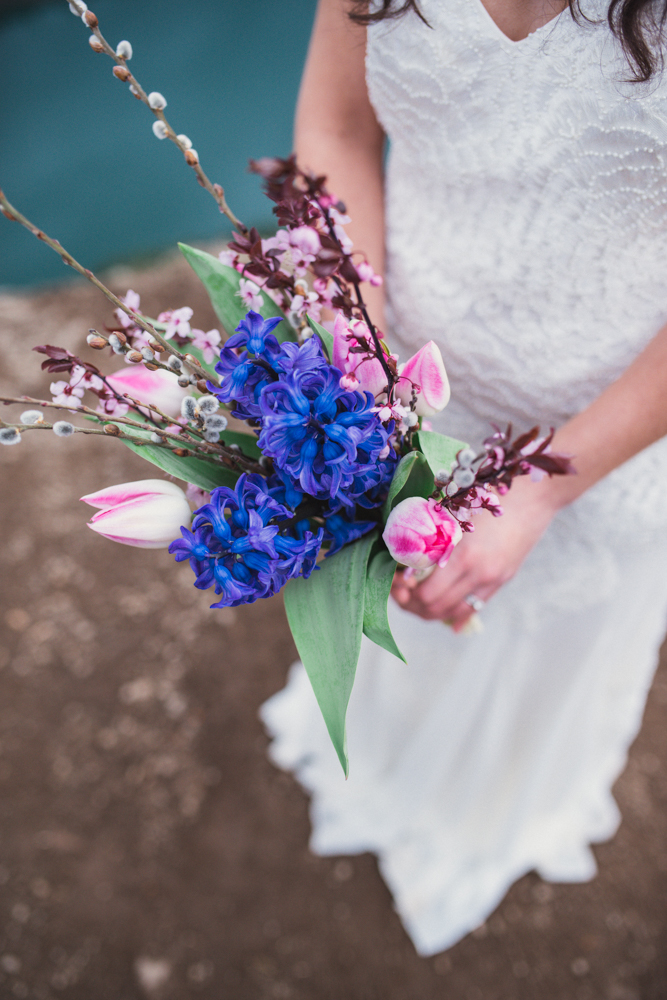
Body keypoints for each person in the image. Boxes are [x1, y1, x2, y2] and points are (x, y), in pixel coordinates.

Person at [261, 0, 667, 955]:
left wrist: (545, 486)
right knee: (400, 620)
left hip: (603, 423)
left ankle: (497, 800)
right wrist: (356, 355)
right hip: (406, 358)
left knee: (538, 652)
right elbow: (336, 126)